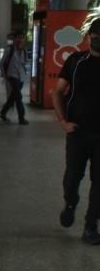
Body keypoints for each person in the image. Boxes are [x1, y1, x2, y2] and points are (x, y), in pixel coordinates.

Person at [53, 17, 100, 245]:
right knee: (72, 177)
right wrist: (63, 121)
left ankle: (91, 226)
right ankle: (70, 202)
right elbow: (58, 92)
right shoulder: (76, 61)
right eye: (96, 37)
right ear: (89, 37)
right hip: (78, 132)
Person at [0, 30, 29, 125]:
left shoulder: (24, 51)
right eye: (18, 38)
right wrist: (3, 74)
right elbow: (2, 62)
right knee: (18, 97)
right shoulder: (9, 50)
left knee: (13, 97)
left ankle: (3, 112)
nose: (20, 40)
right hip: (12, 75)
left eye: (22, 38)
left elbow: (25, 63)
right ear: (14, 39)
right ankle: (21, 118)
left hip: (21, 77)